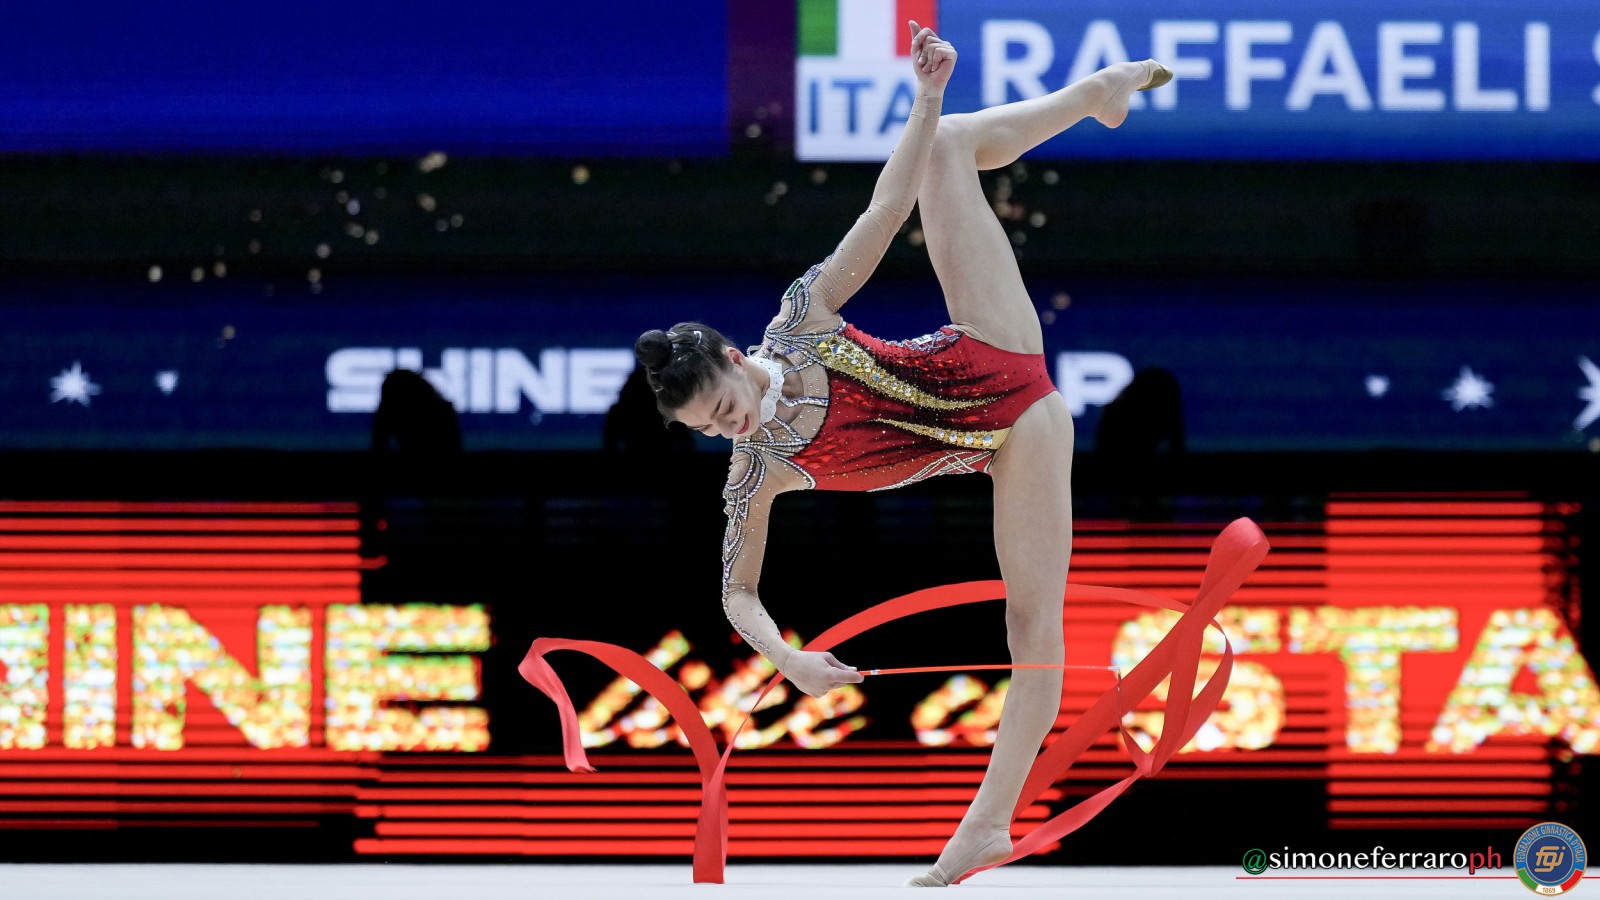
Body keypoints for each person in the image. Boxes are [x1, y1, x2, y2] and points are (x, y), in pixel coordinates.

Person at [634, 22, 1171, 887]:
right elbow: (737, 592)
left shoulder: (801, 318)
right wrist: (788, 660)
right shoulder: (758, 469)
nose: (730, 430)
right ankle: (988, 827)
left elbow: (885, 213)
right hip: (1016, 438)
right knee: (1031, 631)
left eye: (725, 409)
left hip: (991, 352)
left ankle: (1093, 94)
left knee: (945, 142)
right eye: (709, 431)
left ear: (736, 358)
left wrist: (926, 94)